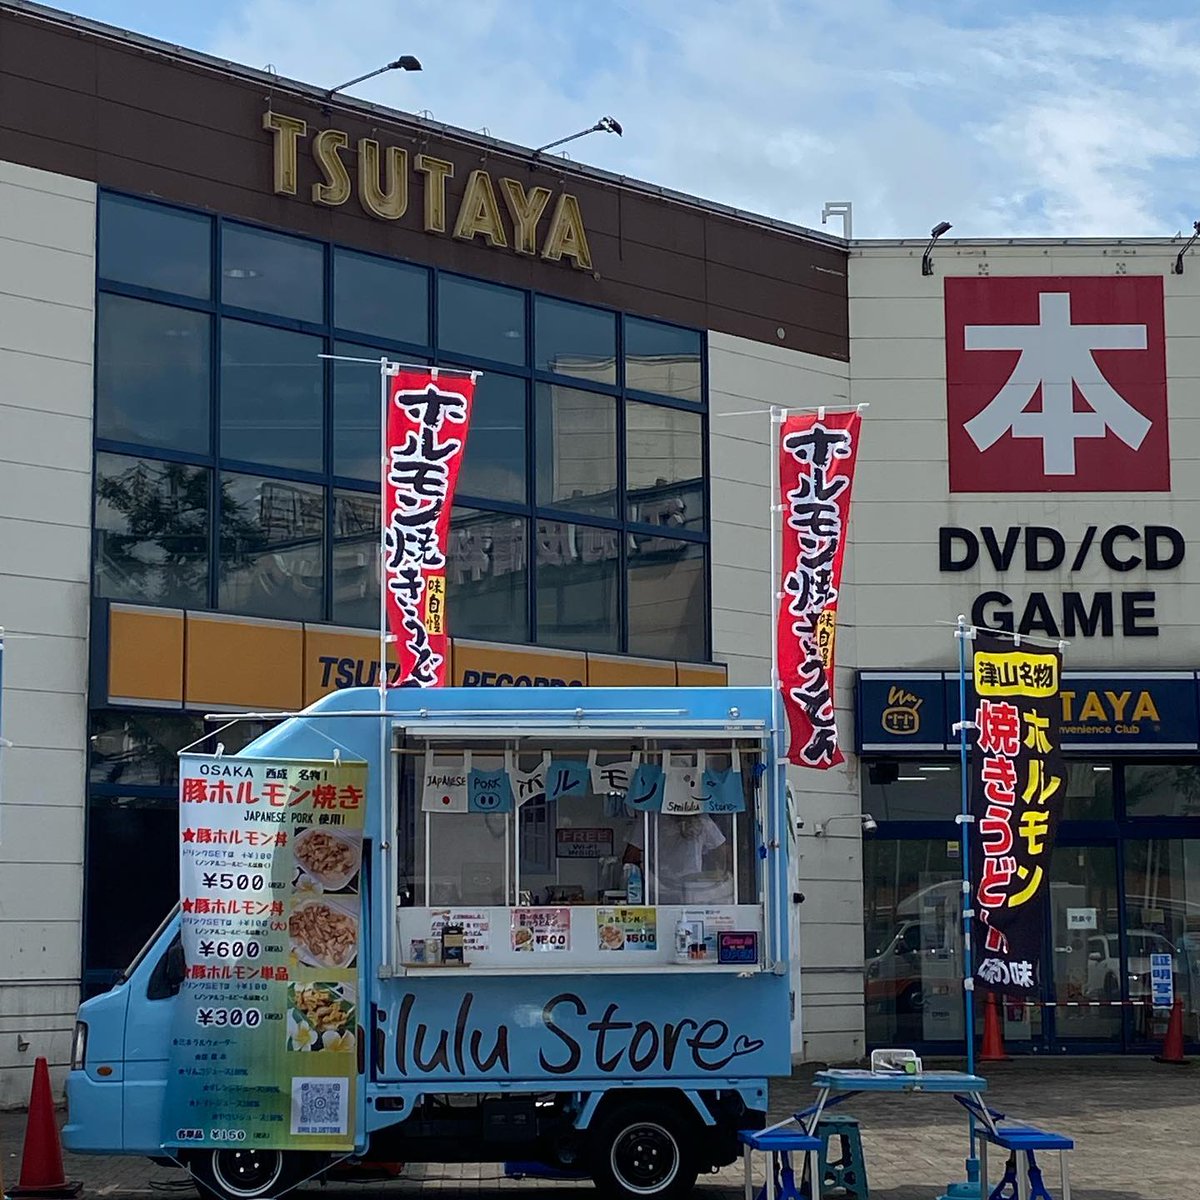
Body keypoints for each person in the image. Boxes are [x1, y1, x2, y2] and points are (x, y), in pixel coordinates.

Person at [622, 814, 732, 904]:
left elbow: (631, 857)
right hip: (691, 890)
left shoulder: (651, 816)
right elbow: (724, 854)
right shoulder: (701, 819)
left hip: (659, 890)